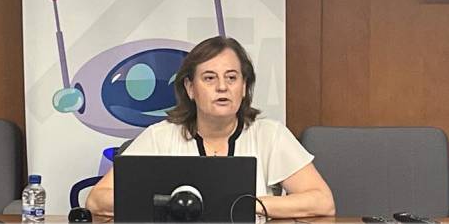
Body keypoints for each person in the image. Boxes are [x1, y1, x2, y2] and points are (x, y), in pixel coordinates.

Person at [86, 36, 335, 219]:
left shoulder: (270, 135)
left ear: (244, 86)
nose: (222, 87)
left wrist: (246, 204)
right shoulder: (160, 136)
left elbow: (322, 201)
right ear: (190, 88)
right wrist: (173, 204)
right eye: (209, 78)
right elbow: (97, 200)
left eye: (232, 77)